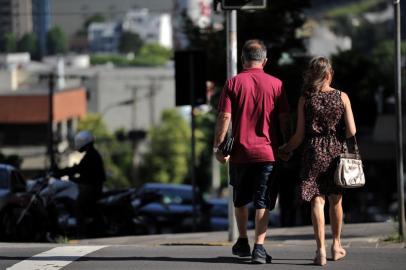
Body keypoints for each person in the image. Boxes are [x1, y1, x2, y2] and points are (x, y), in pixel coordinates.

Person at [214, 39, 290, 264]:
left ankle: (243, 240)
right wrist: (286, 145)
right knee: (262, 200)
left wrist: (218, 147)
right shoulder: (277, 85)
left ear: (243, 60)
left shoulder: (233, 83)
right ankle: (259, 247)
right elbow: (284, 118)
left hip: (240, 154)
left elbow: (224, 117)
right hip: (268, 153)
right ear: (265, 61)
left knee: (239, 199)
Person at [279, 56, 356, 266]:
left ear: (312, 75)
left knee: (317, 200)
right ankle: (336, 245)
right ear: (329, 74)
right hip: (336, 152)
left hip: (312, 152)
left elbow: (299, 136)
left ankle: (320, 250)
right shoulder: (342, 97)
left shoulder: (306, 98)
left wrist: (286, 149)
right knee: (336, 199)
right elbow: (351, 131)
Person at [54, 130, 106, 237]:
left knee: (78, 206)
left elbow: (79, 169)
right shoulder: (91, 154)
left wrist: (62, 173)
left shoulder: (91, 156)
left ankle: (82, 233)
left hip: (91, 187)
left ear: (83, 142)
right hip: (93, 186)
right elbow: (81, 171)